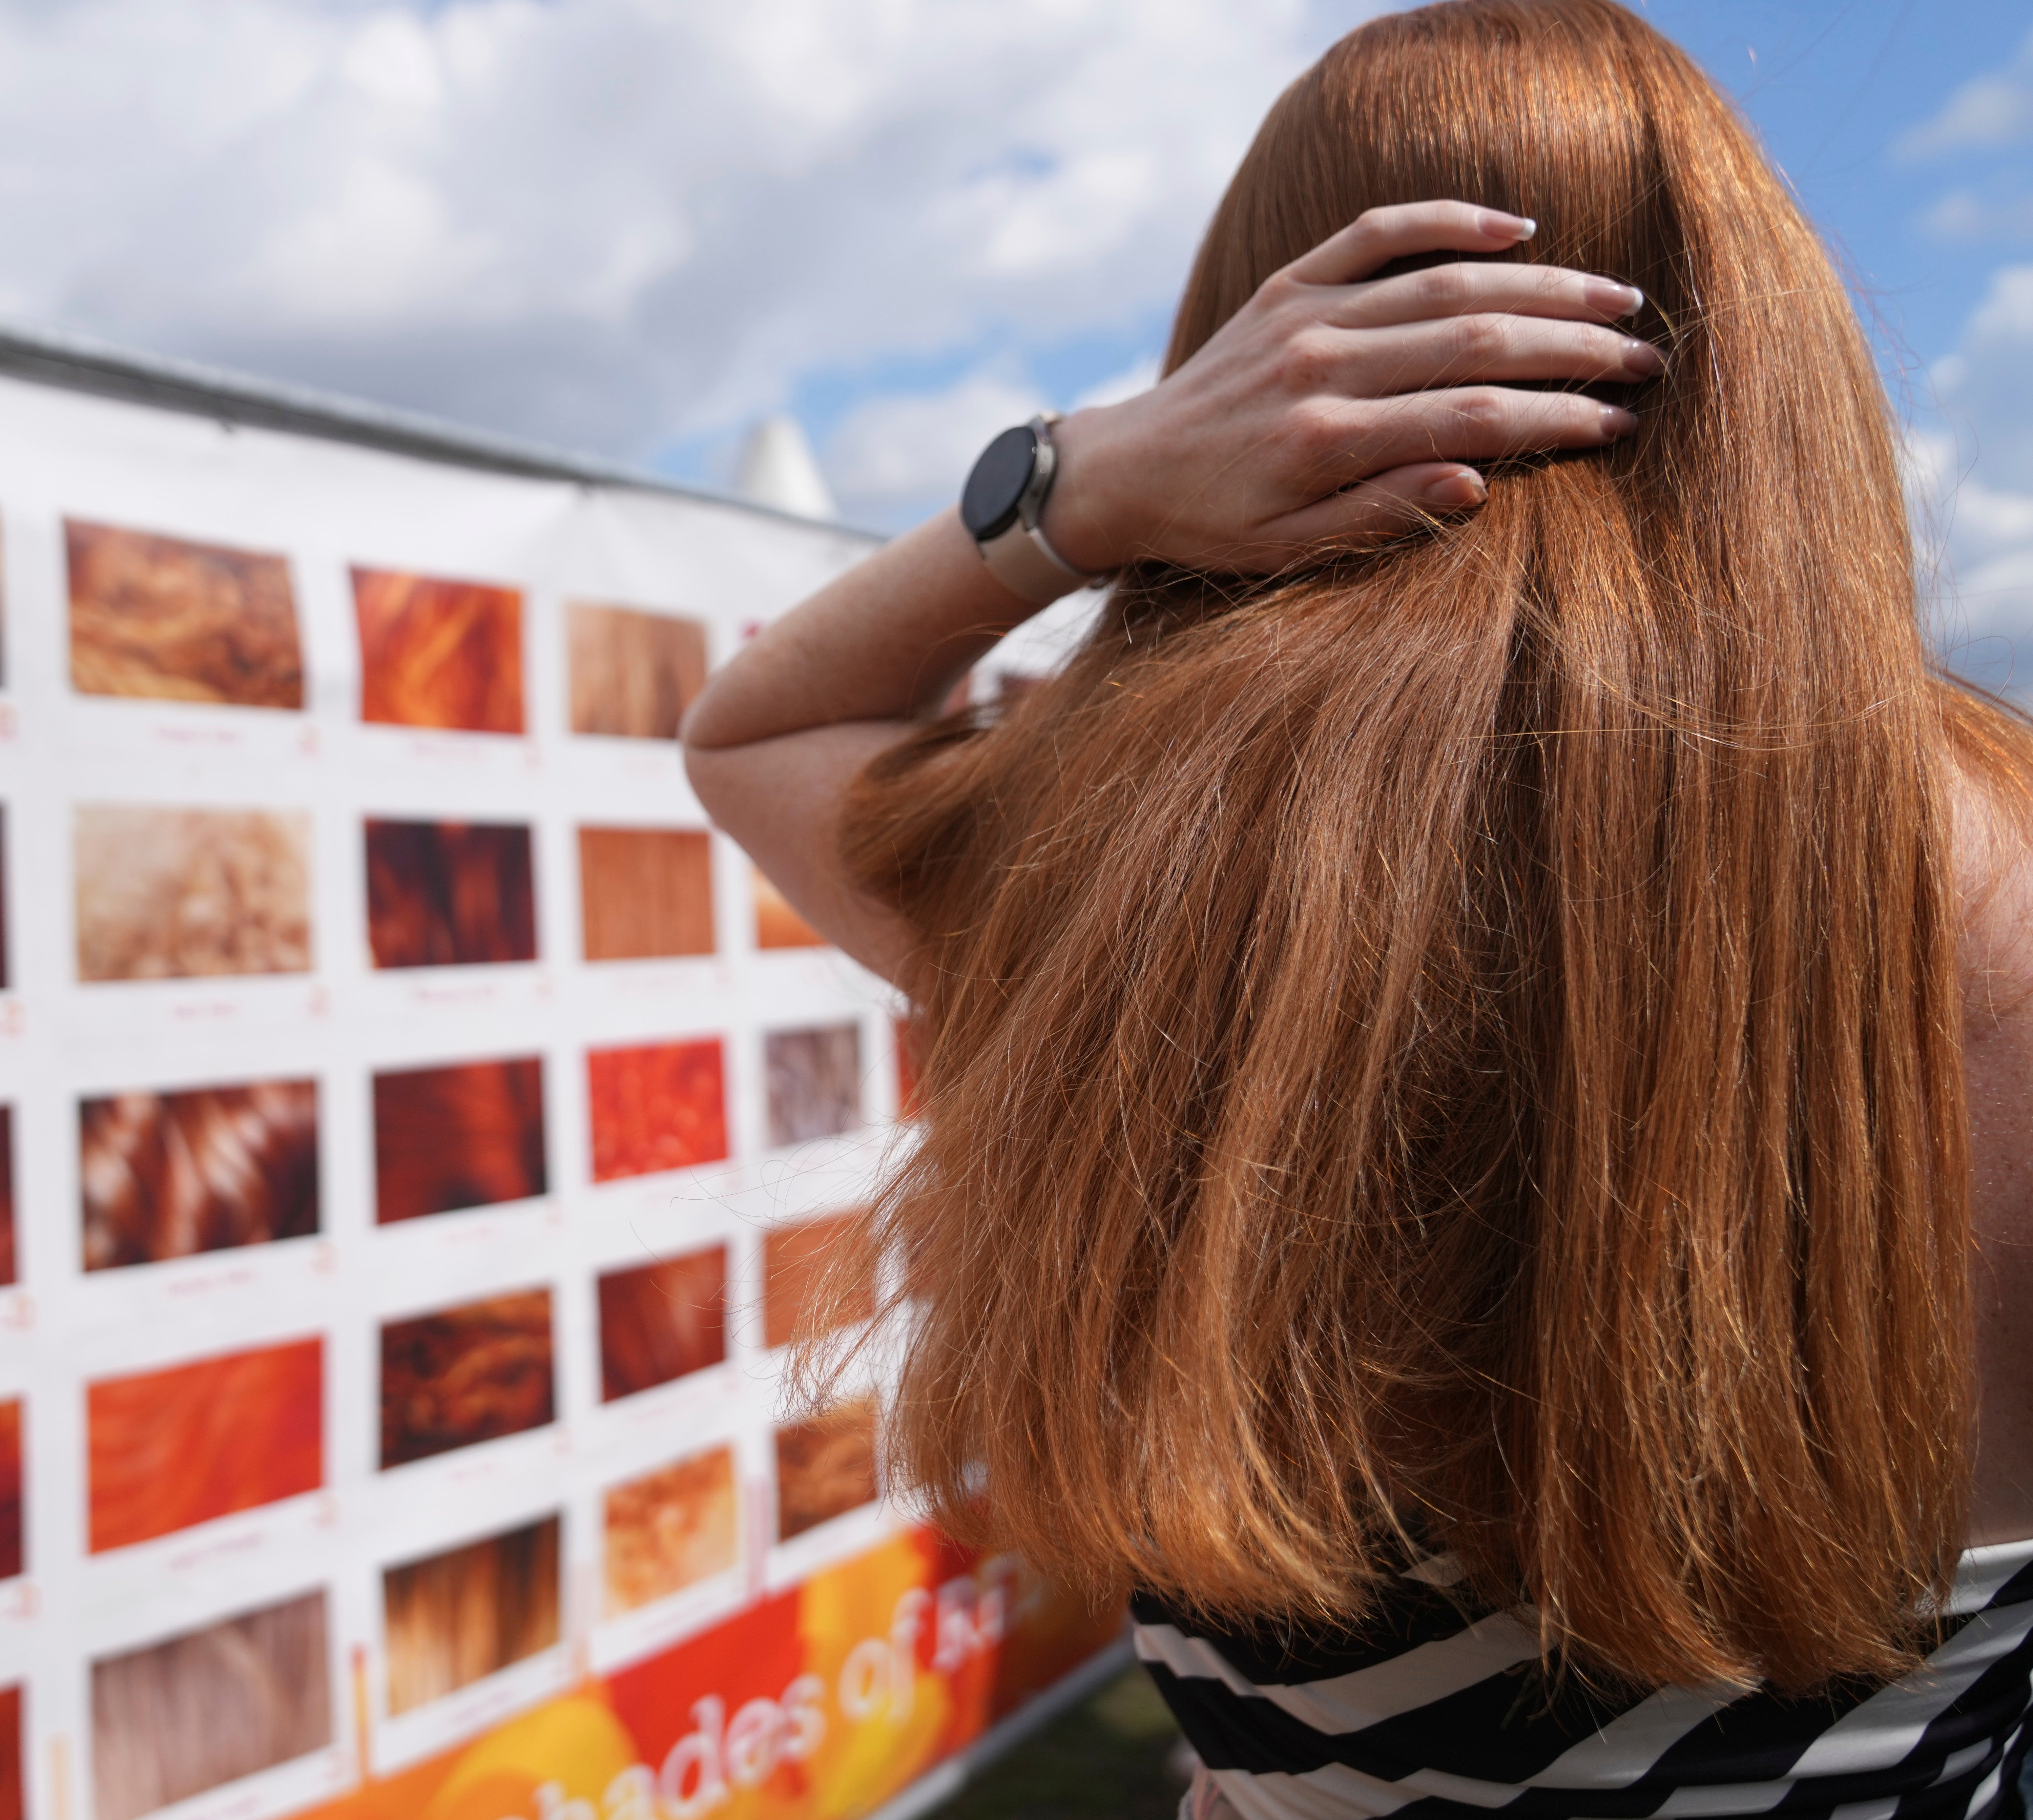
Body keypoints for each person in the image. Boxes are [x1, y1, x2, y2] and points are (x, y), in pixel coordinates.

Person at [681, 1, 2033, 1813]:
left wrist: (1082, 485)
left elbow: (761, 726)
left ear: (1256, 350)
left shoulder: (1100, 879)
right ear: (1762, 340)